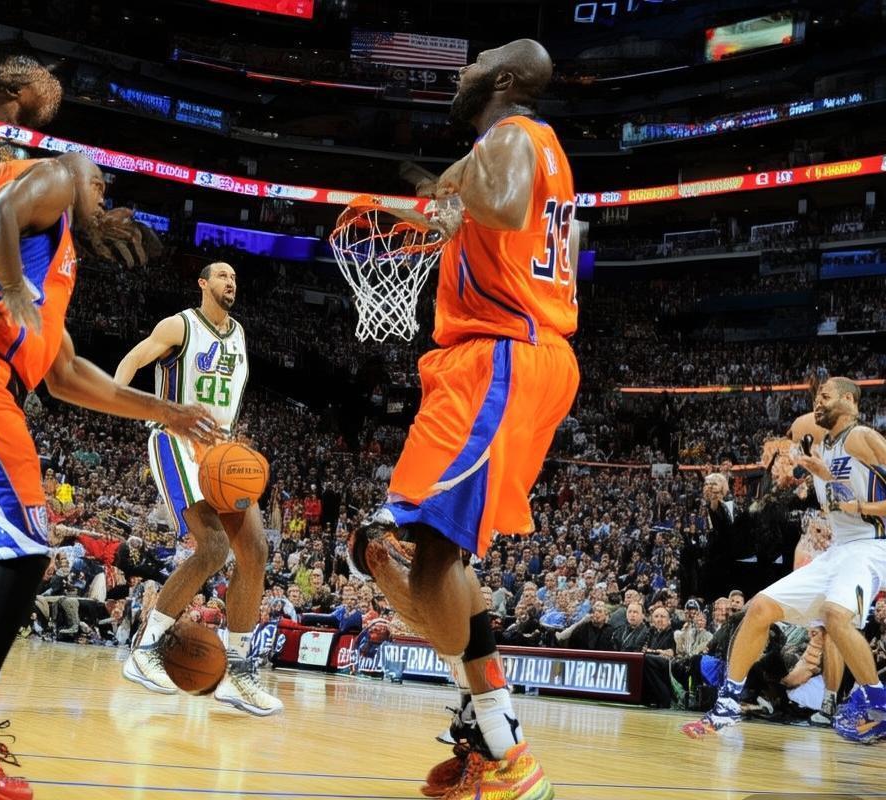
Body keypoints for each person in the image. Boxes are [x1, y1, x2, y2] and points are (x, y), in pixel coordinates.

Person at [0, 154, 219, 800]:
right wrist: (13, 289)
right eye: (100, 185)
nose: (102, 196)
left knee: (0, 547)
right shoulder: (57, 178)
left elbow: (68, 375)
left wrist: (167, 412)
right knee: (25, 550)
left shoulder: (55, 259)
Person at [350, 39, 578, 799]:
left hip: (501, 358)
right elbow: (489, 225)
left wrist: (453, 177)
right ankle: (495, 741)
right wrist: (429, 203)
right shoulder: (520, 149)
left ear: (504, 80)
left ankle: (510, 756)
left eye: (476, 62)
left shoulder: (512, 137)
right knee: (426, 555)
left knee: (419, 560)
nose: (461, 71)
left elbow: (503, 205)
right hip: (503, 358)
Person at [113, 261, 281, 716]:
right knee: (213, 547)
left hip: (220, 450)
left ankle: (238, 671)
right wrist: (114, 395)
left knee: (256, 550)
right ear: (203, 283)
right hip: (176, 438)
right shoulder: (180, 325)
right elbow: (135, 358)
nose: (232, 282)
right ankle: (147, 649)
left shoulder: (239, 334)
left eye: (236, 277)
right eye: (223, 276)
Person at [683, 377, 886, 742]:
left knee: (835, 617)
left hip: (871, 546)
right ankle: (728, 704)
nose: (817, 403)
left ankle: (878, 704)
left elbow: (859, 506)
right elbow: (838, 488)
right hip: (838, 550)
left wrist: (858, 505)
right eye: (816, 398)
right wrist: (817, 472)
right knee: (759, 608)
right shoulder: (825, 449)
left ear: (849, 400)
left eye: (825, 396)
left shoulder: (862, 437)